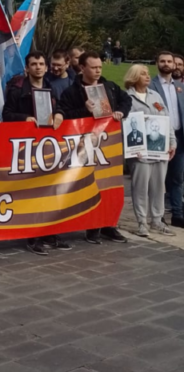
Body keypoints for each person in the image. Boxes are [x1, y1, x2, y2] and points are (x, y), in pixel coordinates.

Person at [57, 50, 131, 244]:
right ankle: (91, 226)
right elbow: (64, 115)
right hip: (84, 149)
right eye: (94, 67)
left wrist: (121, 112)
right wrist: (84, 111)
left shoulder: (110, 87)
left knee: (109, 186)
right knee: (88, 185)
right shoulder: (71, 92)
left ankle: (109, 225)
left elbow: (126, 100)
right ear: (82, 68)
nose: (98, 71)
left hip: (108, 146)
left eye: (100, 67)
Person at [2, 51, 69, 256]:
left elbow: (62, 110)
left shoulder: (51, 89)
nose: (38, 67)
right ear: (27, 68)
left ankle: (50, 232)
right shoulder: (16, 91)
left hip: (48, 148)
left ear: (46, 68)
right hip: (27, 149)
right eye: (34, 64)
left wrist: (59, 114)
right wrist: (24, 118)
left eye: (41, 64)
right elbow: (6, 115)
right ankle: (33, 236)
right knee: (32, 192)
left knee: (50, 191)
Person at [125, 64, 175, 237]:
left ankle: (157, 220)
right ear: (134, 77)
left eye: (148, 74)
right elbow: (125, 126)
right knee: (140, 187)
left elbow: (166, 120)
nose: (148, 76)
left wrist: (172, 142)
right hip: (140, 151)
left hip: (159, 149)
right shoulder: (127, 98)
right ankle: (141, 222)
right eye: (143, 74)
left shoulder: (155, 96)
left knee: (158, 186)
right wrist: (131, 149)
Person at [149, 52, 184, 228]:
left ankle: (177, 214)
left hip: (179, 136)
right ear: (157, 63)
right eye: (162, 61)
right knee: (158, 179)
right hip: (158, 136)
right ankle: (157, 215)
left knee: (177, 178)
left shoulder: (179, 86)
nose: (166, 64)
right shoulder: (151, 85)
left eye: (169, 61)